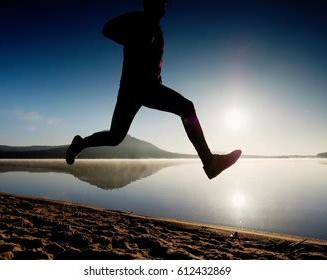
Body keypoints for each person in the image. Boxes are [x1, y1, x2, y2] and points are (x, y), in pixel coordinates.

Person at [66, 0, 241, 179]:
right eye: (159, 3)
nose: (163, 7)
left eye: (164, 4)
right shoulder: (137, 20)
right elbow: (107, 29)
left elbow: (152, 61)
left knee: (115, 136)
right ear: (149, 5)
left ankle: (80, 144)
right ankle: (210, 163)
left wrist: (157, 76)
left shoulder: (157, 31)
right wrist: (131, 39)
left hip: (143, 88)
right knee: (186, 108)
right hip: (136, 87)